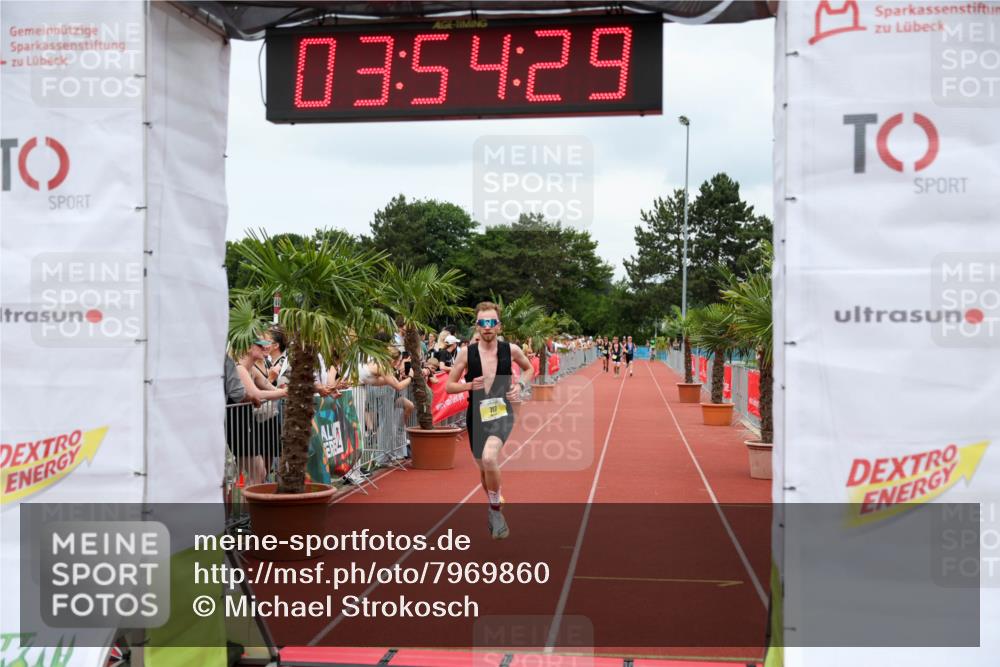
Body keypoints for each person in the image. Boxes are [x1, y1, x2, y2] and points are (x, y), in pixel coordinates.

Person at [447, 302, 533, 540]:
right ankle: (494, 499)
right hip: (476, 415)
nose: (487, 327)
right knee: (484, 469)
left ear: (498, 326)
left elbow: (528, 369)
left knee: (489, 457)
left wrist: (520, 385)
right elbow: (449, 386)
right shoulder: (467, 353)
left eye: (491, 322)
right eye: (483, 322)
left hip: (502, 412)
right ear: (477, 326)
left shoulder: (510, 350)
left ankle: (495, 512)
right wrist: (468, 386)